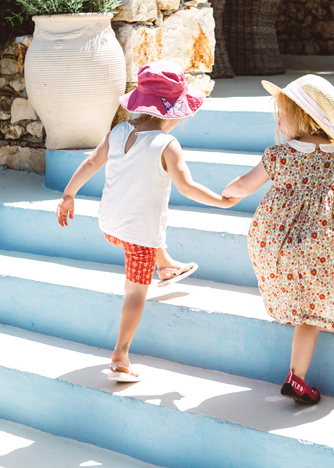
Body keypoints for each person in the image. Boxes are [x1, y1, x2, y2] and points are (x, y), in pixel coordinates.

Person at [56, 60, 237, 383]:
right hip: (137, 235)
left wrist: (69, 195)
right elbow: (186, 186)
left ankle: (166, 264)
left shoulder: (119, 131)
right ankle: (120, 354)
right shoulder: (167, 144)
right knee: (136, 292)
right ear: (176, 110)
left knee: (148, 226)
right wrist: (222, 201)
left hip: (110, 223)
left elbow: (91, 161)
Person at [222, 75, 334, 405]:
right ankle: (296, 377)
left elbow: (244, 185)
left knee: (296, 296)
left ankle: (294, 313)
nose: (278, 122)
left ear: (300, 117)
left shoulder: (279, 155)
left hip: (277, 244)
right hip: (322, 248)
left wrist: (228, 194)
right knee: (312, 315)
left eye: (281, 115)